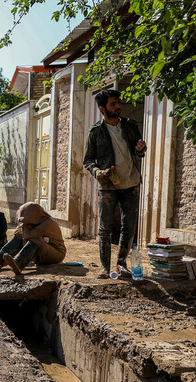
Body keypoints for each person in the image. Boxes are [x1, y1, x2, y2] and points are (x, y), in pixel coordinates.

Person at [83, 89, 146, 278]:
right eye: (113, 104)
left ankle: (121, 264)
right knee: (105, 227)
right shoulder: (95, 132)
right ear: (102, 108)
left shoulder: (130, 126)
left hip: (131, 182)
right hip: (108, 185)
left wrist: (141, 149)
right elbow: (88, 161)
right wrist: (98, 172)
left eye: (118, 103)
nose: (118, 106)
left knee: (129, 225)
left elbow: (139, 150)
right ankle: (105, 267)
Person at [0, 202, 66, 275]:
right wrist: (25, 228)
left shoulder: (49, 223)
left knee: (35, 240)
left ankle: (18, 263)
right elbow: (18, 232)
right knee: (20, 236)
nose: (23, 222)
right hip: (43, 250)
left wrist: (25, 226)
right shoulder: (35, 222)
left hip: (57, 253)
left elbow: (28, 235)